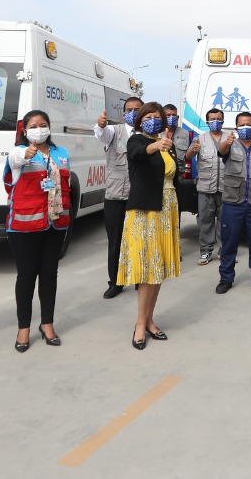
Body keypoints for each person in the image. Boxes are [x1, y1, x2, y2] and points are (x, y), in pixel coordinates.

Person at [6, 110, 71, 351]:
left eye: (43, 124)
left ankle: (47, 323)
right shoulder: (18, 152)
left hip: (55, 224)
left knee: (49, 274)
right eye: (33, 125)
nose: (39, 128)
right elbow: (16, 160)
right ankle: (23, 328)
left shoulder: (61, 153)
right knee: (26, 276)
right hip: (25, 226)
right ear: (25, 131)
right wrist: (26, 153)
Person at [120, 102, 181, 349]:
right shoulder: (137, 141)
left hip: (167, 211)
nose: (154, 120)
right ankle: (140, 324)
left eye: (158, 117)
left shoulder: (169, 145)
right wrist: (155, 145)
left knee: (158, 270)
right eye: (149, 116)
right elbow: (138, 153)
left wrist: (163, 145)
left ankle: (150, 319)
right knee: (146, 270)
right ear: (140, 120)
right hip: (146, 213)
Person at [215, 111, 251, 294]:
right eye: (242, 125)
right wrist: (227, 142)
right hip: (233, 203)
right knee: (229, 242)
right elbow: (221, 151)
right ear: (236, 128)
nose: (245, 128)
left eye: (248, 124)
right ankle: (226, 278)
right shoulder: (229, 145)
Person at [95, 96, 143, 298]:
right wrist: (100, 125)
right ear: (124, 114)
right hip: (116, 196)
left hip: (140, 197)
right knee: (115, 241)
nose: (133, 112)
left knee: (140, 241)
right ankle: (115, 282)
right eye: (129, 109)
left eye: (137, 109)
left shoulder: (150, 134)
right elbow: (102, 135)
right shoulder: (114, 131)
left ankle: (140, 279)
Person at [192, 107, 227, 266]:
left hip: (226, 187)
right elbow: (188, 156)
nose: (215, 122)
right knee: (206, 221)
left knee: (224, 221)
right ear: (207, 122)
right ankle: (205, 251)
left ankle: (224, 250)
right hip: (205, 187)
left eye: (218, 119)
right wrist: (193, 150)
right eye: (212, 119)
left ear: (223, 120)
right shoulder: (200, 139)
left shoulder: (229, 138)